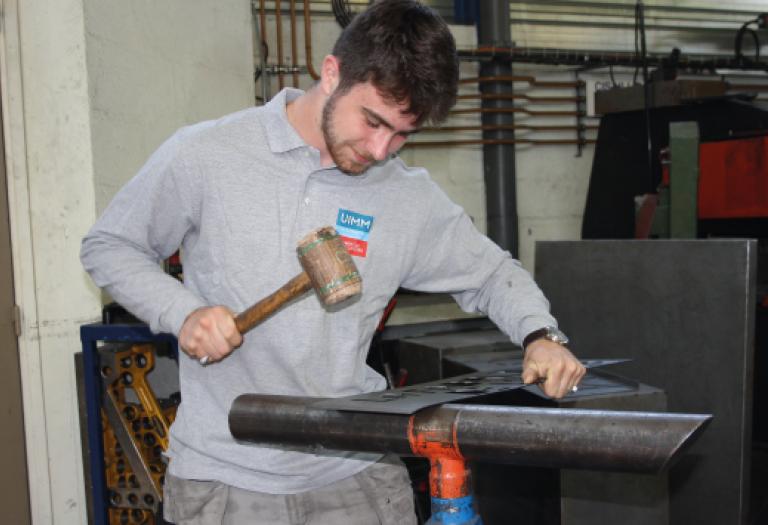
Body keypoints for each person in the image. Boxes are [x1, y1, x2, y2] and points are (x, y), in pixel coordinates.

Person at [81, 1, 585, 523]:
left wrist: (540, 334)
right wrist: (181, 312)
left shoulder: (405, 197)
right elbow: (110, 246)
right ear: (331, 72)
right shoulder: (209, 155)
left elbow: (491, 273)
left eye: (402, 134)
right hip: (228, 477)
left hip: (356, 474)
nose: (381, 149)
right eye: (372, 121)